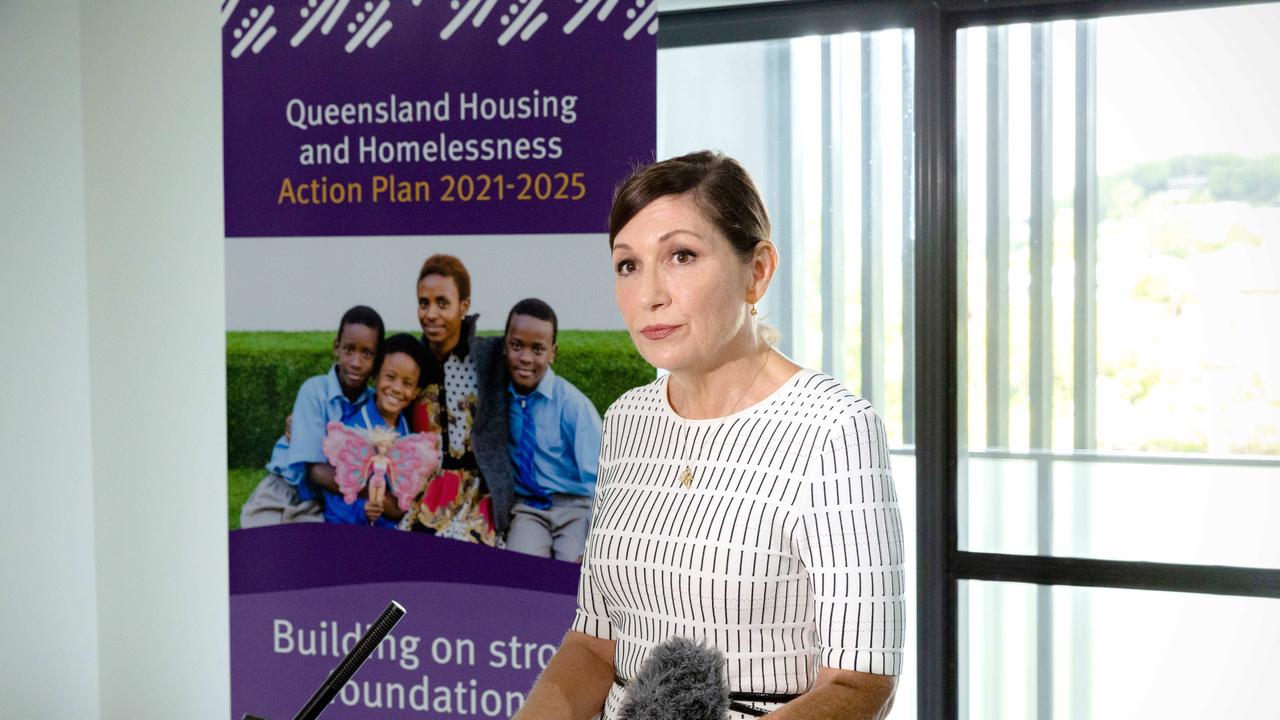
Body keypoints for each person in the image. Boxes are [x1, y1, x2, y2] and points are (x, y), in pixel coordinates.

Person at [516, 152, 905, 719]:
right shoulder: (627, 420)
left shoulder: (834, 430)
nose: (650, 293)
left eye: (681, 256)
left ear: (758, 270)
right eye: (627, 264)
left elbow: (860, 686)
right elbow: (594, 645)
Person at [240, 305, 384, 528]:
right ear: (336, 348)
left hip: (322, 500)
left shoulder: (373, 404)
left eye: (367, 353)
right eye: (349, 350)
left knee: (316, 553)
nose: (356, 362)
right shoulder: (314, 391)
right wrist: (370, 491)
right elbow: (315, 471)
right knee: (260, 547)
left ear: (378, 358)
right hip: (285, 489)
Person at [406, 254, 514, 546]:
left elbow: (535, 386)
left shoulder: (491, 357)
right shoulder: (409, 361)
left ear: (463, 306)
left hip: (478, 492)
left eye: (443, 303)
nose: (430, 314)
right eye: (423, 302)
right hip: (423, 492)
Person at [502, 298, 602, 561]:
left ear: (552, 352)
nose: (525, 358)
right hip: (529, 507)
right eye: (516, 346)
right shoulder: (499, 398)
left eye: (537, 349)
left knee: (573, 572)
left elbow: (601, 478)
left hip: (575, 507)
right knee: (519, 569)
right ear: (504, 346)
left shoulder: (573, 406)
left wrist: (594, 538)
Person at [320, 333, 429, 528]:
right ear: (376, 377)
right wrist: (361, 510)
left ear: (416, 393)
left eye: (407, 383)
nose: (396, 388)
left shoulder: (408, 433)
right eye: (390, 377)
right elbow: (332, 502)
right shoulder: (351, 430)